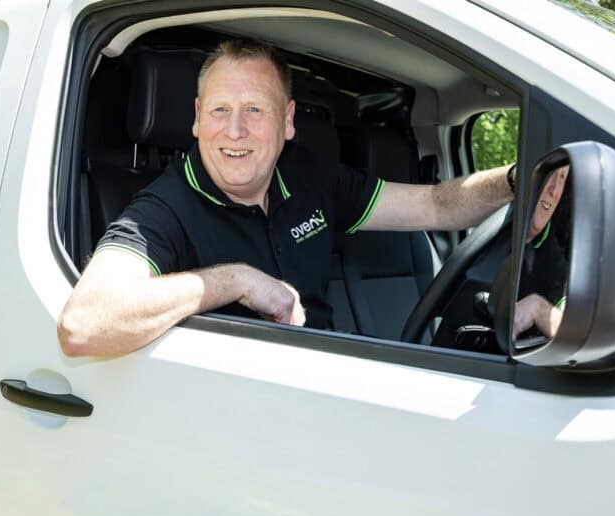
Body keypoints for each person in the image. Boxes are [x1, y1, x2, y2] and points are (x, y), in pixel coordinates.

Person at [59, 39, 515, 358]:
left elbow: (436, 206)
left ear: (288, 121)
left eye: (254, 110)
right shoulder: (163, 209)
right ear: (197, 118)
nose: (234, 130)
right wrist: (234, 280)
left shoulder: (308, 177)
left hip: (328, 381)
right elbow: (84, 325)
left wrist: (517, 181)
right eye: (220, 110)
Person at [512, 165, 570, 339]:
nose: (553, 189)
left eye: (562, 178)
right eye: (550, 172)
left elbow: (574, 333)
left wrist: (538, 309)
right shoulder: (493, 225)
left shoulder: (558, 267)